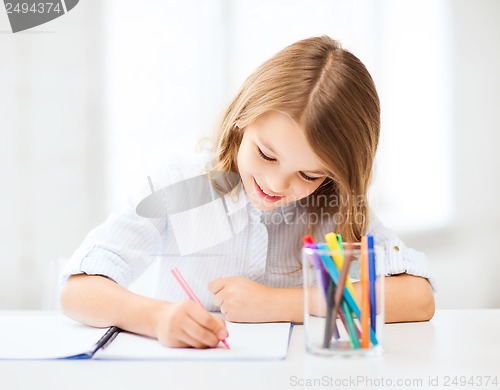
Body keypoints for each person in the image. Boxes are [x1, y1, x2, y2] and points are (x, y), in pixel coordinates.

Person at [60, 35, 435, 349]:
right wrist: (157, 318)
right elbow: (78, 292)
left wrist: (277, 304)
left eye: (308, 174)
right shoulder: (181, 181)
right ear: (243, 117)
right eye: (266, 154)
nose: (276, 185)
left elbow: (418, 298)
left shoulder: (335, 204)